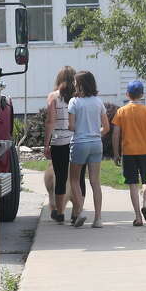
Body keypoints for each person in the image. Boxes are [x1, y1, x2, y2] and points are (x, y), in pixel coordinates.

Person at [112, 79, 146, 226]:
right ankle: (145, 205)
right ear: (142, 94)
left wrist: (116, 154)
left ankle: (138, 218)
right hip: (144, 152)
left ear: (127, 94)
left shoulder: (121, 111)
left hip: (128, 153)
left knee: (133, 184)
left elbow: (116, 134)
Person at [42, 66, 86, 223]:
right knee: (79, 178)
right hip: (79, 141)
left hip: (59, 142)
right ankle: (76, 212)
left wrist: (46, 144)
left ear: (58, 79)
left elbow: (50, 121)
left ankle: (60, 213)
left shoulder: (53, 97)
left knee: (61, 177)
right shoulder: (81, 97)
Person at [67, 70, 110, 228]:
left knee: (74, 179)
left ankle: (80, 212)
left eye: (75, 82)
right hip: (96, 143)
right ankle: (98, 219)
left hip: (79, 143)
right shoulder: (98, 101)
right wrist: (93, 132)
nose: (73, 84)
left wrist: (79, 128)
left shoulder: (74, 102)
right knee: (95, 182)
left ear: (79, 84)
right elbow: (106, 127)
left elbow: (71, 126)